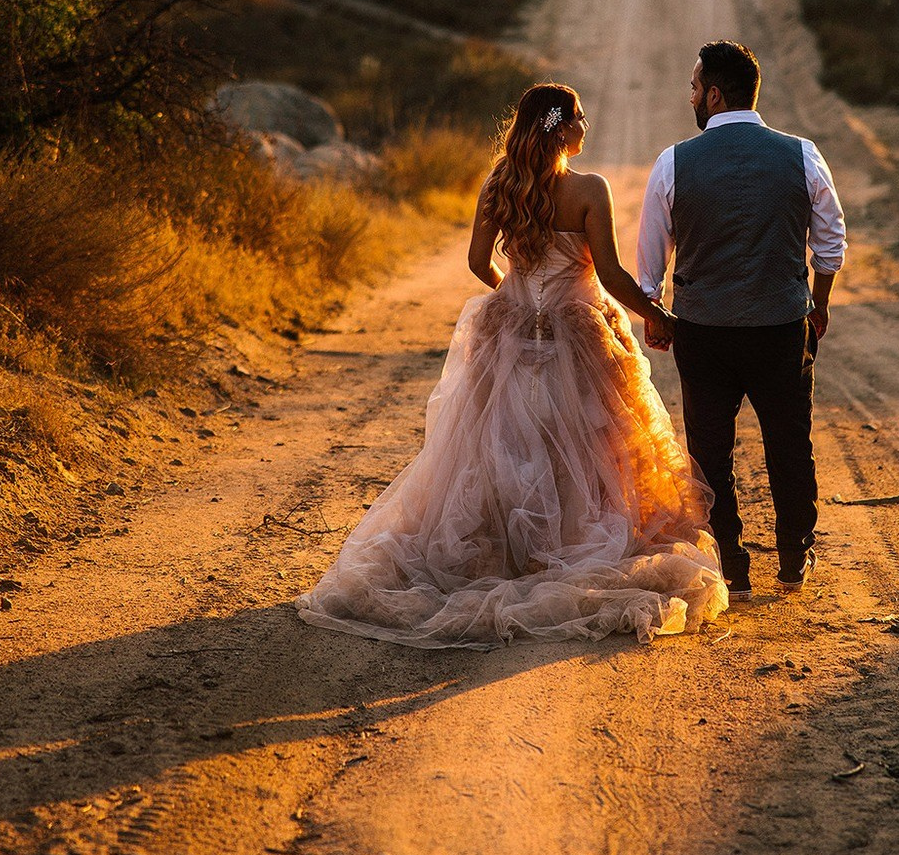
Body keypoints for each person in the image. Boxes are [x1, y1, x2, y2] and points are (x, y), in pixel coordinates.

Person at [296, 84, 729, 648]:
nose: (586, 125)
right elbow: (615, 277)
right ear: (559, 128)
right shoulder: (588, 189)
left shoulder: (500, 184)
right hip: (580, 334)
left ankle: (508, 545)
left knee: (502, 440)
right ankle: (567, 541)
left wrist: (517, 300)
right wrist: (658, 315)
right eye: (578, 117)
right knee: (588, 444)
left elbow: (478, 262)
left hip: (513, 331)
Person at [636, 40, 847, 601]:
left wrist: (657, 315)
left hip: (704, 331)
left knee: (709, 450)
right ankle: (794, 554)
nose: (690, 96)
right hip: (781, 326)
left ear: (713, 93)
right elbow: (830, 244)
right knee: (789, 440)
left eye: (693, 86)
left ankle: (731, 560)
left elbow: (649, 263)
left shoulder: (673, 162)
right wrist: (818, 302)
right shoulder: (801, 154)